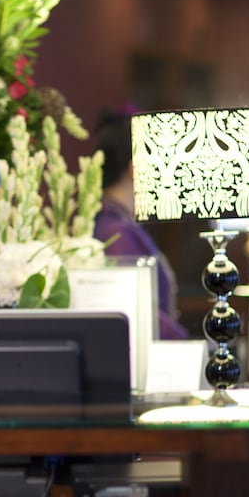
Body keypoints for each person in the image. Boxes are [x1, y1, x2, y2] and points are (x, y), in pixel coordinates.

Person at [92, 108, 188, 340]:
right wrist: (187, 343)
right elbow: (138, 311)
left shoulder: (117, 223)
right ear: (135, 168)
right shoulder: (116, 233)